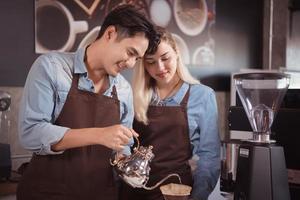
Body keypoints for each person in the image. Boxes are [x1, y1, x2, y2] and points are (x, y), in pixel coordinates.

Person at [17, 5, 158, 200]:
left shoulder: (124, 90)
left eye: (137, 59)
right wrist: (99, 135)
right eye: (130, 52)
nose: (131, 64)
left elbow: (121, 146)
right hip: (49, 192)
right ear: (110, 33)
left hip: (100, 193)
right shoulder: (52, 68)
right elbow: (30, 133)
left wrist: (127, 160)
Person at [120, 27, 220, 200]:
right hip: (134, 193)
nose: (160, 67)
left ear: (177, 53)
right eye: (150, 62)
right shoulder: (132, 95)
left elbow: (209, 157)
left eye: (165, 58)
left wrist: (197, 196)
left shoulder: (203, 96)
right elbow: (125, 146)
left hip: (176, 192)